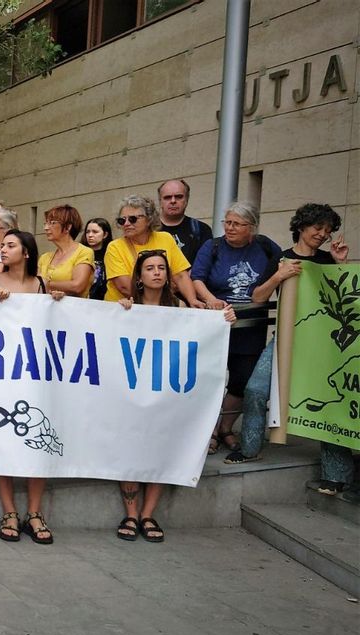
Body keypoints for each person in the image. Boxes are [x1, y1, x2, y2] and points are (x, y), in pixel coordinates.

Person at [116, 250, 237, 542]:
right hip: (131, 394)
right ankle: (131, 514)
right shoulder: (126, 307)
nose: (156, 272)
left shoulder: (182, 309)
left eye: (161, 268)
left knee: (160, 450)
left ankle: (148, 514)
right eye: (150, 268)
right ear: (139, 277)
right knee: (130, 449)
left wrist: (225, 318)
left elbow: (206, 330)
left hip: (167, 395)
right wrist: (119, 310)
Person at [236, 204, 351, 488]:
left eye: (327, 230)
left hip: (323, 342)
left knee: (331, 400)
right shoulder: (280, 258)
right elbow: (258, 296)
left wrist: (340, 264)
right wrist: (279, 276)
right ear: (301, 227)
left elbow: (344, 298)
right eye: (318, 228)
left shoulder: (328, 260)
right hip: (285, 339)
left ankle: (336, 475)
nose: (322, 234)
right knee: (255, 389)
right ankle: (249, 448)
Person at [0, 230, 55, 544]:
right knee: (3, 440)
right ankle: (9, 510)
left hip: (34, 372)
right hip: (1, 373)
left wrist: (57, 302)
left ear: (27, 252)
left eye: (10, 246)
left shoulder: (42, 284)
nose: (3, 250)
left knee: (39, 439)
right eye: (3, 245)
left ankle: (34, 512)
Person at [190, 202, 282, 454]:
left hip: (250, 327)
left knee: (242, 381)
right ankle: (208, 431)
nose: (229, 228)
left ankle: (225, 428)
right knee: (211, 380)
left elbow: (286, 268)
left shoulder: (265, 247)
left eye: (237, 224)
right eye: (227, 222)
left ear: (251, 227)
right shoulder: (213, 246)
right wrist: (211, 299)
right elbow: (196, 278)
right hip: (216, 325)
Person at [103, 195, 203, 307]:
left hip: (159, 306)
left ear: (149, 219)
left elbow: (180, 276)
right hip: (124, 309)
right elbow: (125, 287)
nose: (126, 224)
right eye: (122, 220)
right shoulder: (114, 247)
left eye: (132, 219)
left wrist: (192, 300)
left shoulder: (166, 238)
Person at [38, 205, 94, 298]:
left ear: (68, 227)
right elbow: (36, 287)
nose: (46, 228)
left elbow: (77, 286)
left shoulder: (83, 252)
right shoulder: (44, 257)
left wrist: (45, 284)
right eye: (45, 223)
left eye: (52, 223)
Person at [157, 179, 213, 264]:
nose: (173, 201)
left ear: (187, 199)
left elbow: (205, 264)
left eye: (179, 197)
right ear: (160, 201)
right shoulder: (148, 228)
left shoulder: (202, 229)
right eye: (167, 197)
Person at [82, 217, 113, 300]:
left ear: (105, 235)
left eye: (95, 232)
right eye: (87, 232)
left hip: (105, 301)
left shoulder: (111, 254)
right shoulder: (80, 252)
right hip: (81, 299)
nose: (90, 235)